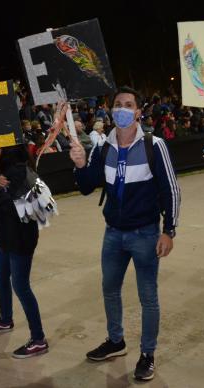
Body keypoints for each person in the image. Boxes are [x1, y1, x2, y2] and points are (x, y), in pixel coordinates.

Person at [69, 87, 181, 381]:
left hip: (145, 233)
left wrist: (169, 230)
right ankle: (116, 341)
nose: (122, 109)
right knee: (109, 289)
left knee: (148, 298)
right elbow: (85, 186)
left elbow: (170, 190)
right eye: (117, 104)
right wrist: (80, 165)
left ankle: (147, 354)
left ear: (138, 112)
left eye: (128, 105)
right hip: (113, 233)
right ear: (110, 110)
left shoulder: (153, 145)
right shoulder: (103, 147)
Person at [0, 145, 54, 358]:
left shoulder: (21, 173)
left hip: (20, 239)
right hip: (5, 237)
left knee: (20, 286)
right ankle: (5, 319)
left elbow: (17, 210)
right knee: (0, 276)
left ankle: (38, 339)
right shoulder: (8, 171)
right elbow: (5, 200)